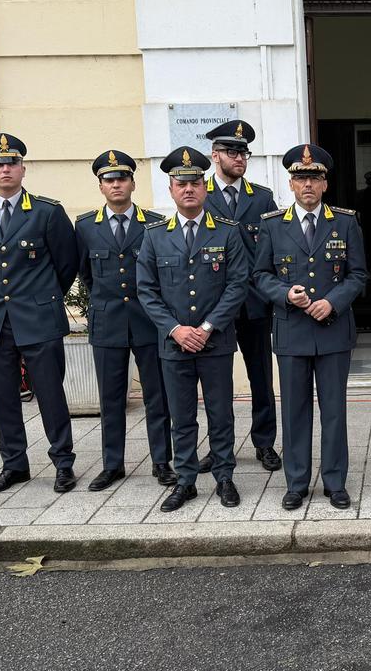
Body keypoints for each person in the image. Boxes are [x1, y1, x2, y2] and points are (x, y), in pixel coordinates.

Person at [253, 144, 368, 511]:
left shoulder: (346, 222)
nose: (307, 184)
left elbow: (358, 274)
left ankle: (335, 481)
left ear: (325, 184)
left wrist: (332, 301)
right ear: (290, 183)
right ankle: (297, 482)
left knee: (334, 410)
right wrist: (287, 293)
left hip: (333, 330)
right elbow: (260, 275)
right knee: (295, 411)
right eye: (301, 177)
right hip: (292, 331)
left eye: (314, 178)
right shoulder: (273, 224)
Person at [0, 133, 78, 494]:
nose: (6, 169)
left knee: (50, 394)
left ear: (23, 169)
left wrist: (41, 298)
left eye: (12, 162)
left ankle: (63, 463)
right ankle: (14, 465)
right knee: (1, 397)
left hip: (39, 319)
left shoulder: (47, 212)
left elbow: (67, 264)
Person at [136, 147, 249, 511]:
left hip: (214, 342)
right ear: (170, 189)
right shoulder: (154, 235)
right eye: (181, 183)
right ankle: (185, 481)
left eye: (196, 183)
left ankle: (224, 477)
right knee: (181, 417)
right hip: (174, 345)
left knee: (221, 414)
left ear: (205, 188)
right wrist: (175, 330)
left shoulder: (227, 233)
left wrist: (206, 326)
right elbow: (147, 290)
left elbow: (237, 285)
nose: (189, 189)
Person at [73, 150, 171, 492]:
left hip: (147, 322)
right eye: (109, 180)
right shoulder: (85, 226)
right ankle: (112, 464)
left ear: (132, 182)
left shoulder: (155, 223)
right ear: (100, 186)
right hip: (109, 321)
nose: (116, 184)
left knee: (157, 397)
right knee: (110, 399)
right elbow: (85, 273)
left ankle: (162, 461)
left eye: (122, 178)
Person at [201, 120, 281, 473]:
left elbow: (274, 250)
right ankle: (221, 447)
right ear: (215, 156)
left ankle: (264, 442)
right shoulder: (198, 193)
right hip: (214, 305)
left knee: (261, 376)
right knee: (215, 381)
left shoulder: (261, 197)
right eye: (233, 152)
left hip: (254, 304)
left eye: (244, 152)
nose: (241, 158)